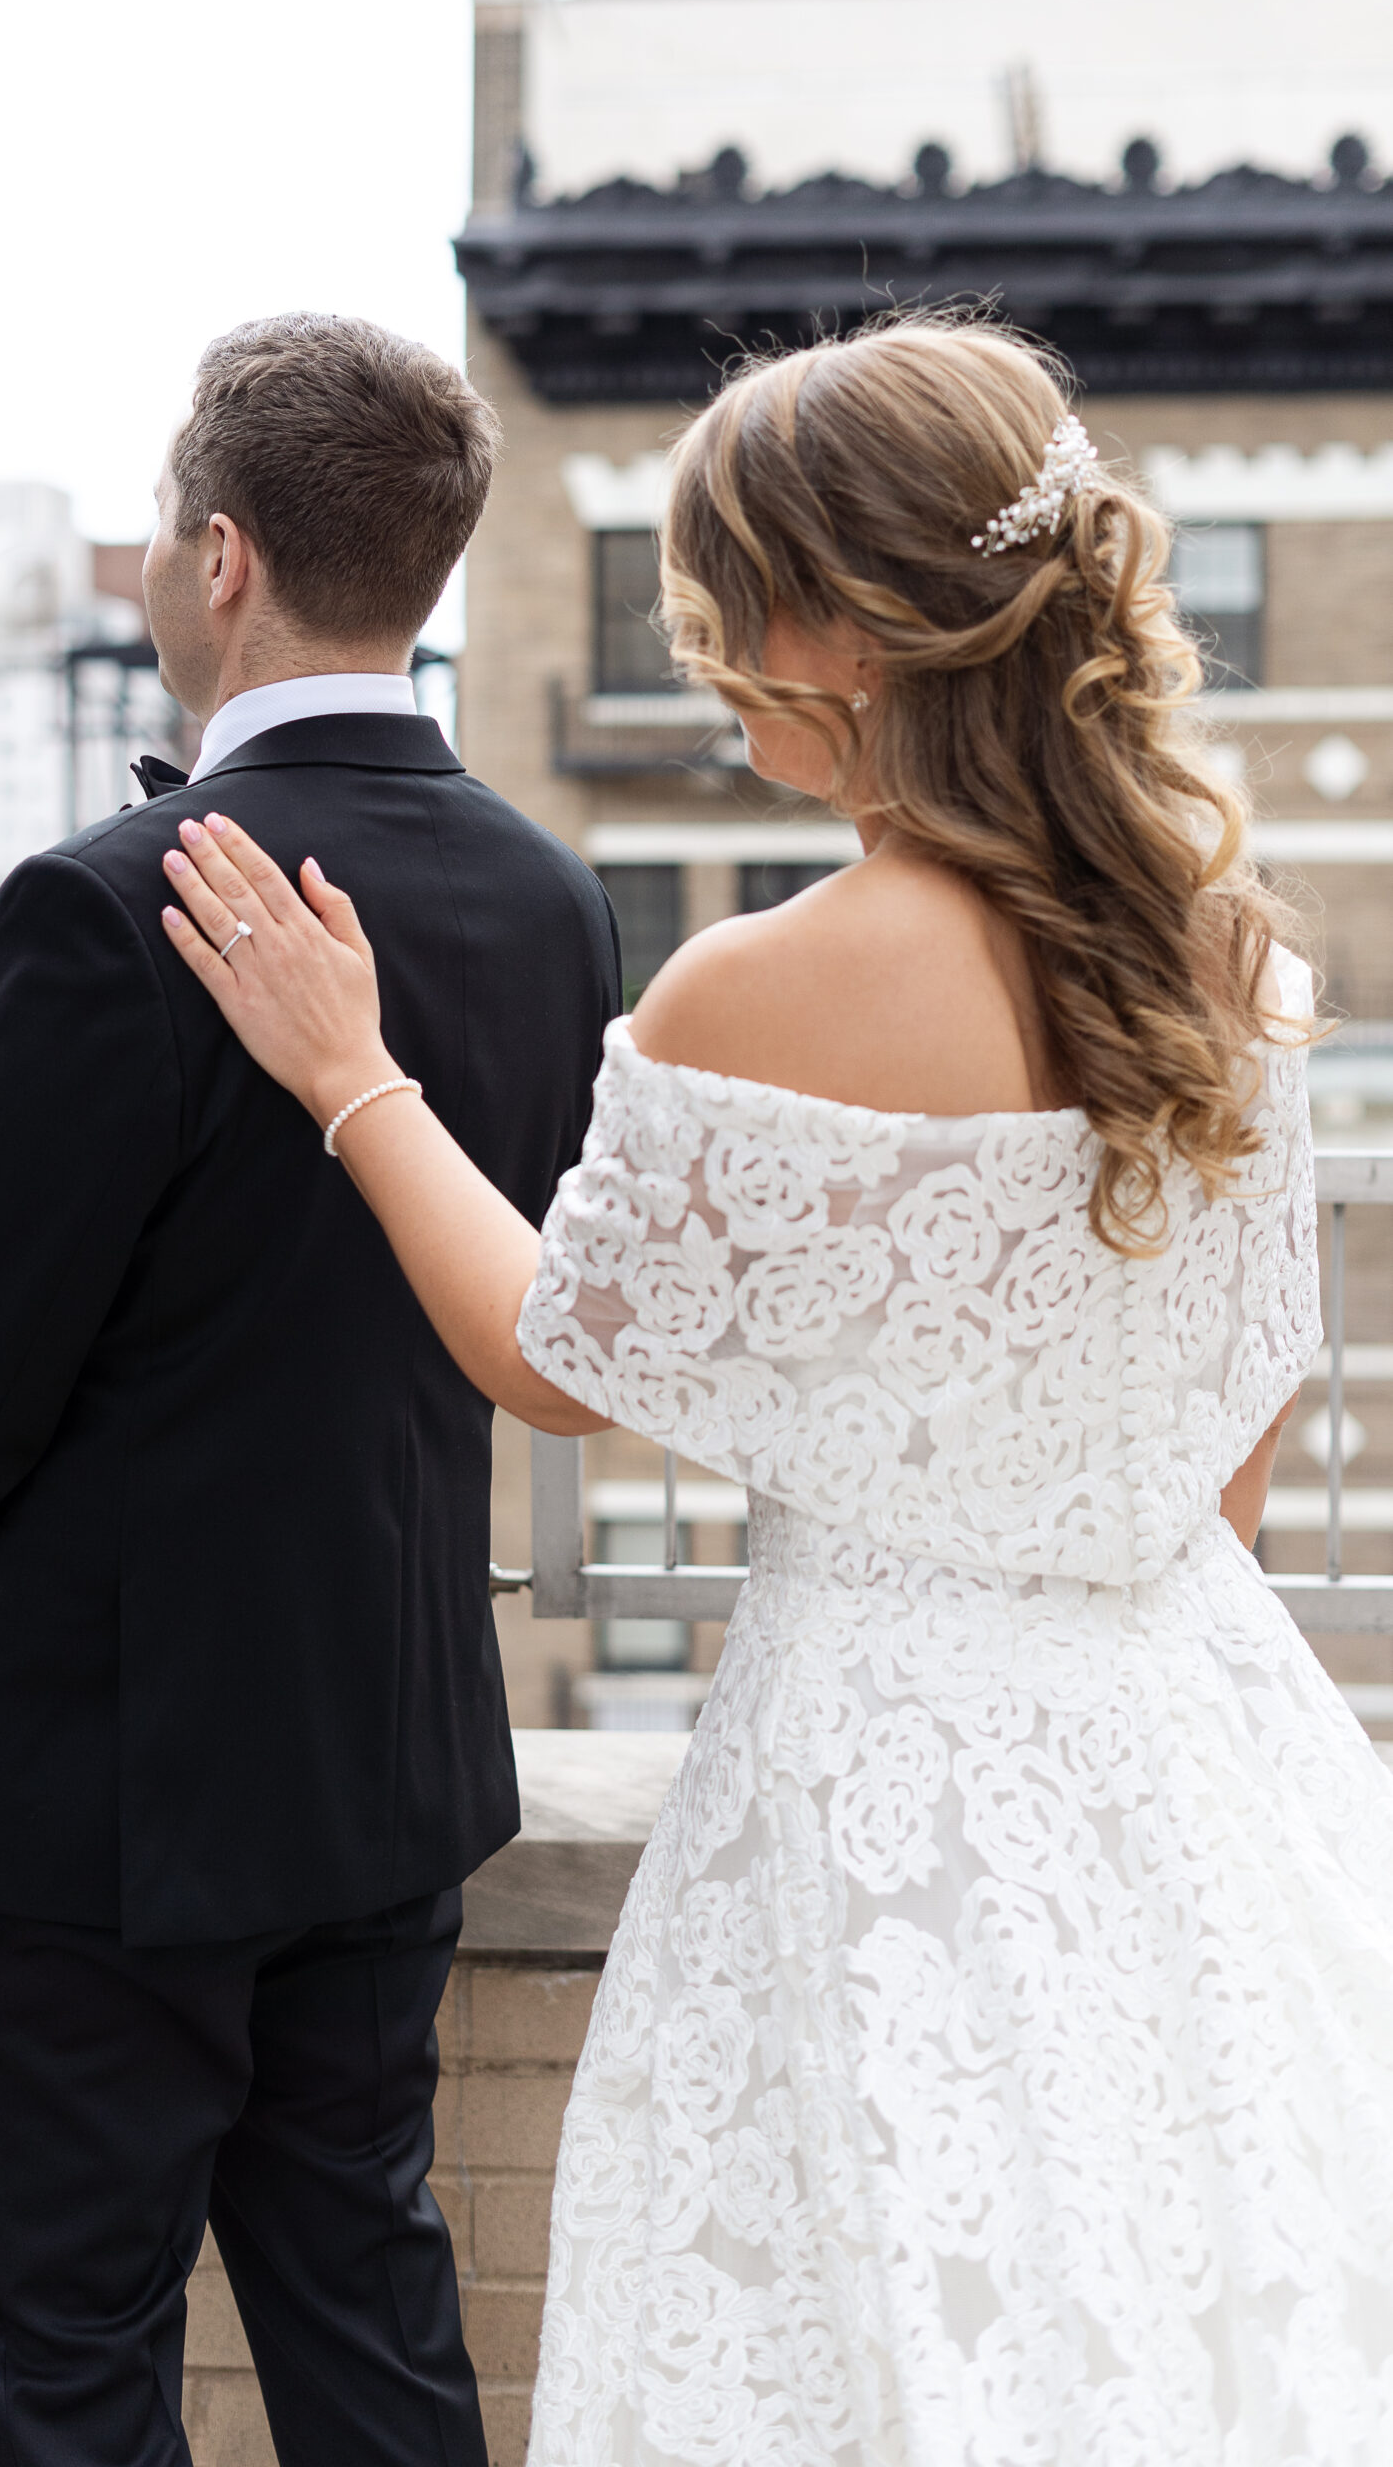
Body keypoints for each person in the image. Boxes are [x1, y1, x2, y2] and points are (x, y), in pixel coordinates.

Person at [158, 319, 1393, 2458]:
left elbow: (556, 1357)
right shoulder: (1228, 952)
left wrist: (350, 1076)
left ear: (840, 624)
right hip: (1206, 1748)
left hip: (882, 1789)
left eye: (717, 607)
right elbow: (1231, 1432)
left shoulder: (761, 981)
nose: (704, 658)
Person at [0, 314, 621, 2467]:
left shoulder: (101, 906)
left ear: (216, 556)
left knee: (66, 2371)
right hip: (383, 1758)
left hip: (95, 1783)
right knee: (372, 2341)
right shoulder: (550, 902)